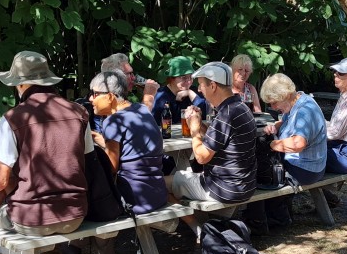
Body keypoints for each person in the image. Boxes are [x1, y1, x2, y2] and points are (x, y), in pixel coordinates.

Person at [0, 51, 93, 254]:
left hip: (32, 218)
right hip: (75, 213)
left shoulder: (12, 119)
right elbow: (86, 160)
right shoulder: (78, 113)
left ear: (20, 85)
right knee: (43, 217)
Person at [167, 62, 256, 222]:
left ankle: (198, 229)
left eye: (201, 85)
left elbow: (201, 157)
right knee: (181, 177)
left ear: (213, 85)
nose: (199, 90)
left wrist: (194, 130)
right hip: (244, 185)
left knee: (156, 184)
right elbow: (221, 139)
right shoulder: (240, 107)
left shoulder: (226, 115)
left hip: (223, 189)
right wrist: (200, 124)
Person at [89, 70, 168, 215]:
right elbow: (128, 147)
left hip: (134, 199)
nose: (90, 99)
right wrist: (97, 138)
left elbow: (111, 168)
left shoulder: (113, 121)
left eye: (95, 94)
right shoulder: (142, 110)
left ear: (110, 96)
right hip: (157, 193)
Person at [259, 73, 327, 227]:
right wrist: (275, 126)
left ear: (285, 95)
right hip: (310, 164)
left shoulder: (304, 111)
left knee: (260, 169)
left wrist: (271, 145)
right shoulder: (298, 101)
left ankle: (272, 219)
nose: (273, 107)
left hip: (306, 168)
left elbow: (298, 143)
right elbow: (287, 123)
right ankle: (273, 215)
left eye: (274, 103)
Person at [152, 56, 209, 127]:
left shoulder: (194, 91)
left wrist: (190, 93)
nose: (188, 81)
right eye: (183, 77)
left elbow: (206, 115)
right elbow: (158, 124)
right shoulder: (161, 96)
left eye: (191, 77)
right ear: (172, 78)